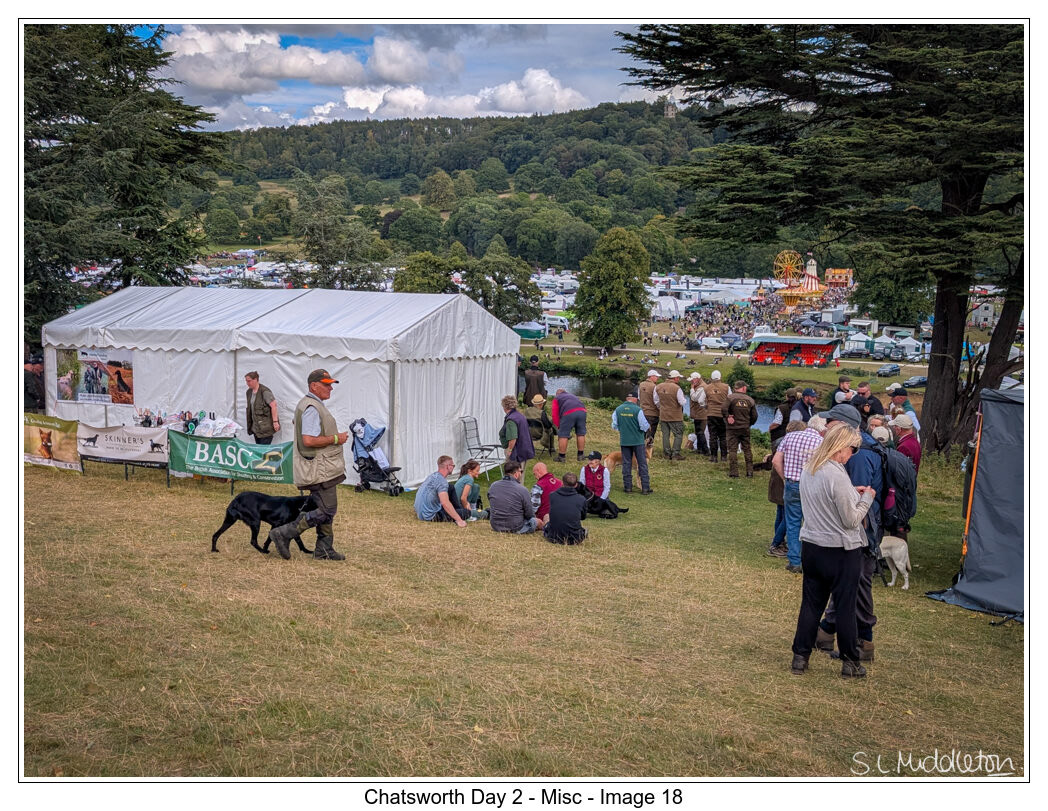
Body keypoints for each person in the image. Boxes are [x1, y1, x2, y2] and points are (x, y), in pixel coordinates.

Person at [790, 422, 877, 679]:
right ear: (840, 447)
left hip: (812, 545)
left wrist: (852, 493)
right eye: (852, 449)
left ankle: (800, 656)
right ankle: (851, 661)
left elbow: (827, 501)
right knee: (845, 606)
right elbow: (851, 520)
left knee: (811, 604)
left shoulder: (810, 468)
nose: (852, 455)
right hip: (840, 550)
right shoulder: (836, 474)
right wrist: (867, 498)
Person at [815, 403, 885, 663]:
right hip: (857, 529)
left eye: (831, 422)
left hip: (860, 531)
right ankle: (826, 631)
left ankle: (863, 641)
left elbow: (856, 501)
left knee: (858, 584)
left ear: (844, 425)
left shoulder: (855, 454)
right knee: (847, 584)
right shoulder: (859, 449)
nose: (826, 427)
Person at [267, 369, 348, 561]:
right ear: (314, 386)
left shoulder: (309, 405)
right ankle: (284, 533)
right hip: (319, 469)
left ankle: (324, 549)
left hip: (321, 467)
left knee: (326, 508)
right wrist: (336, 438)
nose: (330, 388)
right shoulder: (311, 408)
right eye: (326, 385)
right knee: (327, 510)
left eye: (331, 385)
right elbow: (309, 440)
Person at [773, 416, 827, 572]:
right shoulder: (821, 442)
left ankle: (795, 561)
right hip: (812, 485)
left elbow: (776, 461)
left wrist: (785, 478)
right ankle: (809, 558)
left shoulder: (790, 436)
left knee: (793, 523)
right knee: (812, 522)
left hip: (792, 483)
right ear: (823, 429)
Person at [767, 420, 807, 558]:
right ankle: (777, 542)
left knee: (782, 513)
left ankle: (778, 542)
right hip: (784, 481)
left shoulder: (780, 441)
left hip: (777, 481)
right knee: (789, 516)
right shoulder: (792, 443)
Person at [612, 389, 652, 495]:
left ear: (627, 399)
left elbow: (614, 425)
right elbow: (643, 426)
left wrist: (624, 429)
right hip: (638, 441)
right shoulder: (638, 410)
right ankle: (645, 488)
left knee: (626, 463)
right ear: (635, 399)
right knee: (642, 463)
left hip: (624, 441)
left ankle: (628, 487)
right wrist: (648, 427)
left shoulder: (618, 409)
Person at [414, 455, 469, 526]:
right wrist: (459, 520)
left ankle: (458, 509)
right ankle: (463, 512)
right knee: (466, 513)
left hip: (421, 513)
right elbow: (445, 503)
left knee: (450, 487)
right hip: (430, 516)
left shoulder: (432, 476)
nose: (453, 467)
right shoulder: (442, 481)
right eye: (453, 465)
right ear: (448, 466)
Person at [487, 460, 539, 534]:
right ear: (516, 473)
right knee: (535, 521)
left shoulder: (493, 486)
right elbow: (529, 514)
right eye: (521, 471)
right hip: (515, 527)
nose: (521, 474)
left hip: (496, 525)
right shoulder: (522, 490)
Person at [723, 380, 759, 478]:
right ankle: (749, 471)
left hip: (732, 427)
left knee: (732, 449)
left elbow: (723, 409)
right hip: (745, 428)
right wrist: (749, 423)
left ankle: (734, 472)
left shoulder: (730, 398)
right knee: (747, 449)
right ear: (743, 388)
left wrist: (728, 417)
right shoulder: (750, 400)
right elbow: (755, 416)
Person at [544, 472, 588, 545]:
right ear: (576, 484)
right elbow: (583, 517)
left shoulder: (552, 495)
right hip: (574, 538)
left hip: (553, 536)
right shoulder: (581, 499)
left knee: (546, 516)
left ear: (562, 483)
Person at [655, 369, 688, 460]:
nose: (679, 379)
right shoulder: (677, 388)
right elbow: (682, 402)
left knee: (665, 435)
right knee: (678, 434)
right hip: (675, 416)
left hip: (663, 415)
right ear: (675, 378)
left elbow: (656, 401)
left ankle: (666, 453)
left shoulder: (658, 386)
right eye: (678, 378)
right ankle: (675, 454)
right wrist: (685, 400)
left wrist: (662, 408)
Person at [500, 394, 535, 476]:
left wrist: (509, 451)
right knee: (519, 474)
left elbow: (513, 438)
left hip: (517, 451)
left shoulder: (511, 420)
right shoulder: (520, 416)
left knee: (512, 475)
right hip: (523, 449)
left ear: (504, 407)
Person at [551, 388, 587, 463]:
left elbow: (555, 415)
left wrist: (558, 427)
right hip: (582, 411)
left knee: (563, 435)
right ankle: (580, 455)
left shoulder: (557, 398)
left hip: (569, 412)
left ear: (557, 394)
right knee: (581, 433)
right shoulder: (573, 396)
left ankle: (561, 457)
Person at [244, 371, 280, 445]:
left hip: (265, 429)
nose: (247, 383)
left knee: (264, 450)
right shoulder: (249, 392)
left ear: (256, 379)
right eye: (246, 381)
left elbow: (274, 406)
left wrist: (275, 422)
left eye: (249, 381)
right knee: (258, 449)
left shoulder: (265, 392)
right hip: (256, 429)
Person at [704, 370, 731, 462]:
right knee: (723, 436)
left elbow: (701, 400)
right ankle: (724, 457)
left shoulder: (707, 388)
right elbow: (730, 399)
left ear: (711, 378)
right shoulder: (726, 387)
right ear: (720, 377)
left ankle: (713, 457)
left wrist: (706, 406)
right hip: (722, 414)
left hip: (711, 414)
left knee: (713, 436)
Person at [529, 461, 562, 528]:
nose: (535, 477)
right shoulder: (560, 483)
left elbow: (534, 506)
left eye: (534, 474)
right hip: (560, 517)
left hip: (543, 518)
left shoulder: (538, 486)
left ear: (538, 471)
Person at [637, 368, 661, 447]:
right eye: (656, 376)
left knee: (642, 431)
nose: (657, 378)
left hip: (642, 412)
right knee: (651, 432)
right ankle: (648, 449)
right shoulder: (654, 386)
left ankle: (640, 447)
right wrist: (660, 409)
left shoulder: (641, 384)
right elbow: (656, 400)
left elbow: (639, 397)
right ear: (652, 376)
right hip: (652, 413)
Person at [688, 372, 710, 455]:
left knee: (700, 432)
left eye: (692, 380)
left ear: (696, 379)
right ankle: (700, 449)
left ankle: (706, 450)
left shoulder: (702, 387)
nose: (691, 382)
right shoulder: (700, 386)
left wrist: (691, 389)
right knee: (698, 432)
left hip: (701, 413)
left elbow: (695, 398)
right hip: (699, 413)